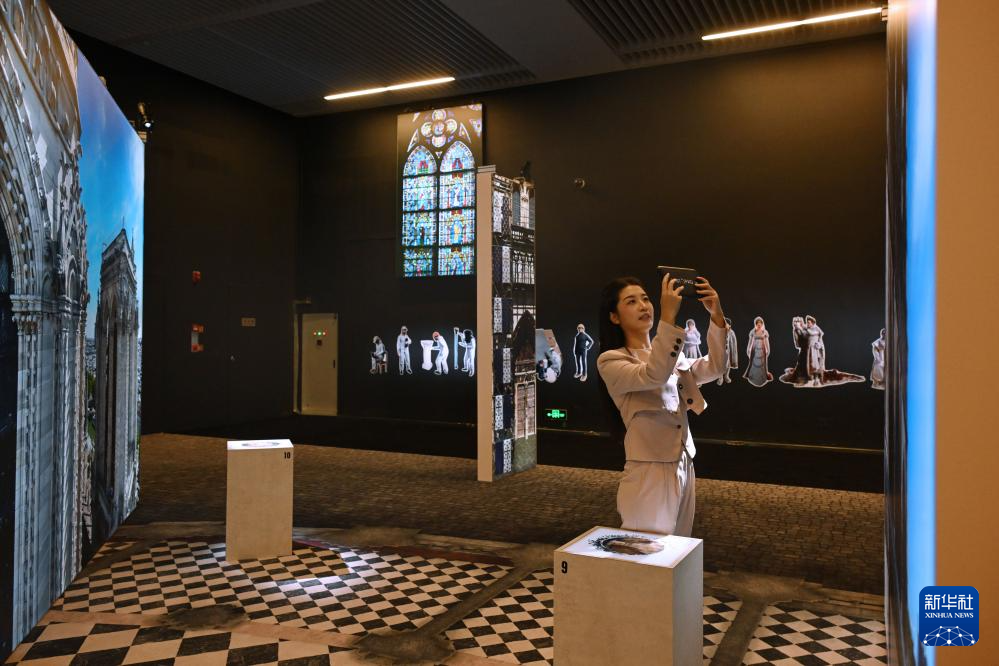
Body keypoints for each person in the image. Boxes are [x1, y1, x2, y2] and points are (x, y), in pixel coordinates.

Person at [596, 273, 726, 537]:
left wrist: (716, 316)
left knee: (680, 548)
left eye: (645, 299)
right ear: (614, 317)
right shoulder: (611, 360)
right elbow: (654, 373)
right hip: (649, 470)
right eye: (631, 301)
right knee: (647, 549)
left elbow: (715, 367)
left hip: (683, 460)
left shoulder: (670, 355)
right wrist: (668, 317)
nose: (644, 306)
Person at [743, 317, 772, 387]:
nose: (759, 325)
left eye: (760, 323)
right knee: (753, 363)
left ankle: (761, 378)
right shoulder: (753, 332)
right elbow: (750, 342)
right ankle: (753, 377)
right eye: (757, 323)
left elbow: (767, 342)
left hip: (762, 350)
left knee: (762, 364)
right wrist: (748, 350)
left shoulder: (764, 332)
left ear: (762, 324)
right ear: (755, 324)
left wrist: (768, 350)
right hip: (754, 349)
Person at [805, 315, 826, 386]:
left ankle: (817, 379)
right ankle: (812, 377)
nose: (807, 324)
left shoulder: (816, 329)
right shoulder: (808, 329)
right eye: (807, 323)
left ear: (813, 323)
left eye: (809, 322)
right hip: (809, 349)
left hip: (814, 349)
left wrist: (805, 328)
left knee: (815, 364)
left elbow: (812, 333)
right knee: (810, 364)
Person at [717, 317, 738, 385]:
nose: (724, 325)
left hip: (728, 350)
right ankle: (720, 377)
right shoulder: (720, 331)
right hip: (721, 351)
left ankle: (726, 376)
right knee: (720, 364)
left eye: (726, 323)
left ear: (729, 325)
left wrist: (732, 350)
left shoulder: (731, 332)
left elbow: (734, 342)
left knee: (728, 364)